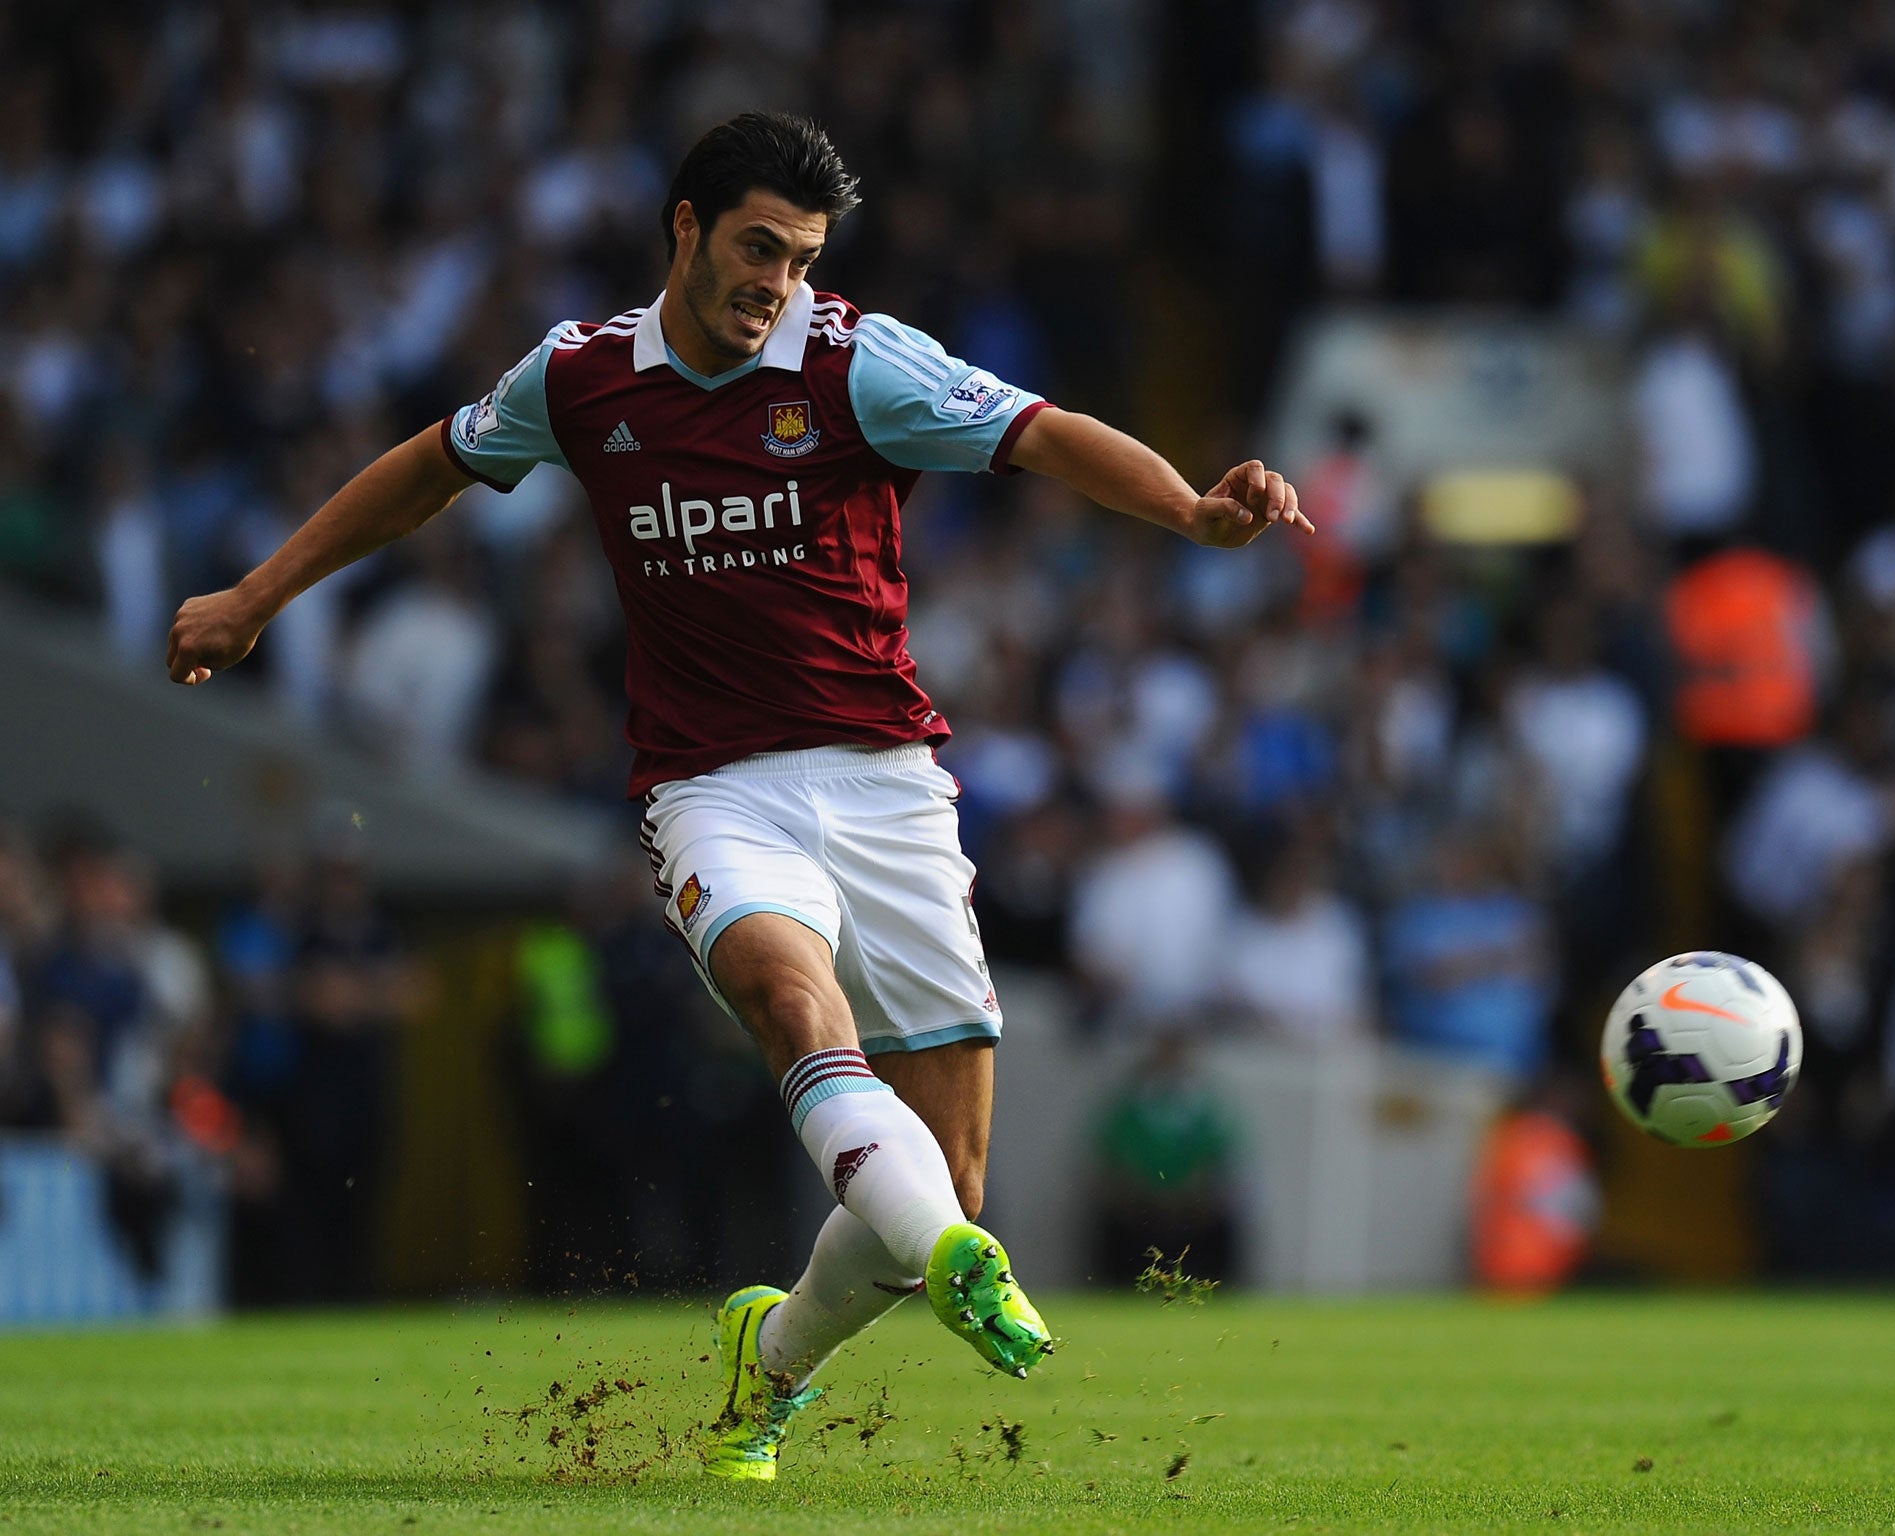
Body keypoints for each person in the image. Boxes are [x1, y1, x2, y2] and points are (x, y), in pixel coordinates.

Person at [163, 112, 1311, 1479]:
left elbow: (1042, 434)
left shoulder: (854, 362)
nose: (778, 281)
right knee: (788, 1003)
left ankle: (772, 1362)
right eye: (758, 247)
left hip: (886, 787)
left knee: (945, 1176)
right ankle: (952, 1257)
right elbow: (427, 472)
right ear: (687, 228)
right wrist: (253, 597)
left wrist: (1190, 511)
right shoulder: (583, 379)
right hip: (711, 788)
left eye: (804, 257)